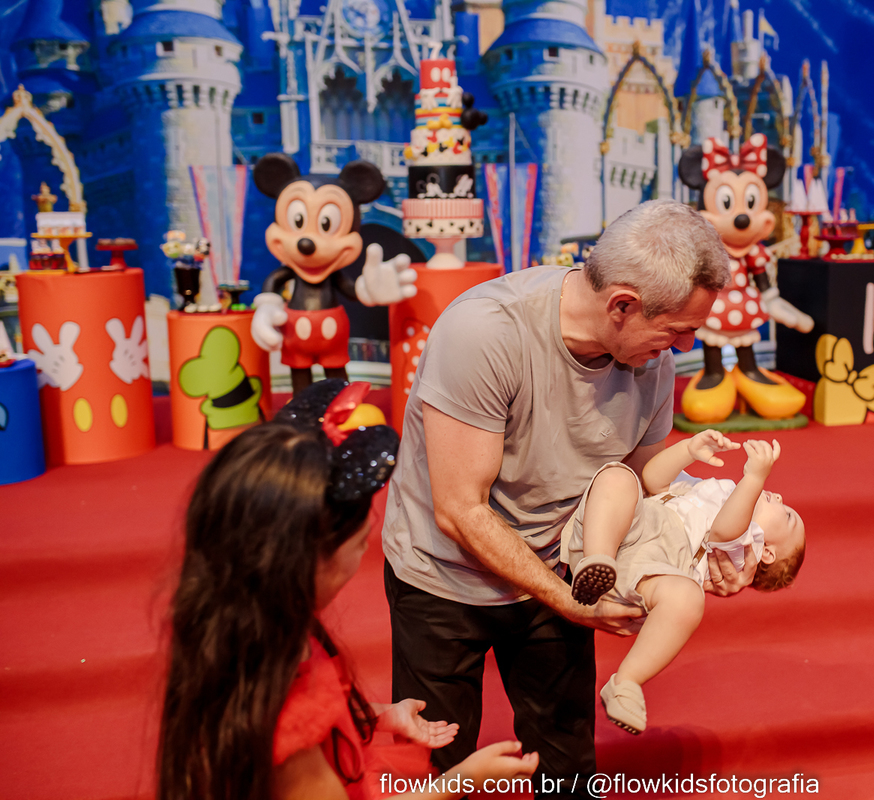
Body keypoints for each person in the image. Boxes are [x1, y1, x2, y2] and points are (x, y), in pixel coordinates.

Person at [382, 199, 752, 795]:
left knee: (568, 768)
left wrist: (706, 545)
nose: (684, 346)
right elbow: (459, 509)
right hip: (442, 576)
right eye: (677, 330)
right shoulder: (486, 331)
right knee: (435, 771)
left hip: (562, 564)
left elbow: (635, 483)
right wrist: (567, 600)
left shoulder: (650, 356)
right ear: (622, 305)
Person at [157, 380, 538, 800]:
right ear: (305, 563)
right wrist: (462, 779)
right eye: (359, 542)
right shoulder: (287, 722)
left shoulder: (248, 635)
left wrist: (379, 717)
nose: (363, 550)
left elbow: (323, 718)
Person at [565, 431, 807, 734]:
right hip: (628, 524)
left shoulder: (749, 546)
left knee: (689, 598)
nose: (781, 498)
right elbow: (653, 479)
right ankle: (596, 561)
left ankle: (626, 682)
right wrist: (688, 449)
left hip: (655, 567)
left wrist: (755, 477)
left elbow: (724, 532)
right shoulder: (719, 490)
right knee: (619, 477)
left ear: (768, 553)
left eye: (788, 516)